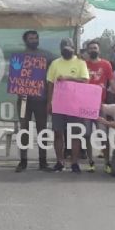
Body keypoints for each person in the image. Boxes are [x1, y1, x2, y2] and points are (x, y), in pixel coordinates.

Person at [46, 38, 89, 173]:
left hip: (75, 105)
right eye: (64, 48)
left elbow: (85, 81)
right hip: (58, 105)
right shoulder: (55, 63)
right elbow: (50, 84)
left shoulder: (80, 63)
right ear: (61, 49)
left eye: (69, 48)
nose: (66, 50)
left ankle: (74, 163)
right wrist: (49, 102)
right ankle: (60, 162)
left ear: (73, 49)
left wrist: (68, 78)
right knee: (58, 133)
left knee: (75, 134)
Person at [15, 30, 54, 172]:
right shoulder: (19, 57)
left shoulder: (46, 55)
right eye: (31, 38)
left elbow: (57, 68)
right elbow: (14, 77)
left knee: (42, 130)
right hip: (24, 100)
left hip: (41, 99)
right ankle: (23, 161)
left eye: (35, 38)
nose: (33, 40)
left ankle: (43, 162)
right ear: (25, 40)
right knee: (23, 130)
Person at [84, 40, 115, 173]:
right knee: (86, 134)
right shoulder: (83, 64)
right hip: (84, 106)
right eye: (91, 48)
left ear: (99, 50)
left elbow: (111, 82)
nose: (93, 50)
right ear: (87, 51)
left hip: (100, 105)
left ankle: (107, 162)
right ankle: (90, 161)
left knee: (103, 134)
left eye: (95, 48)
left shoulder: (106, 64)